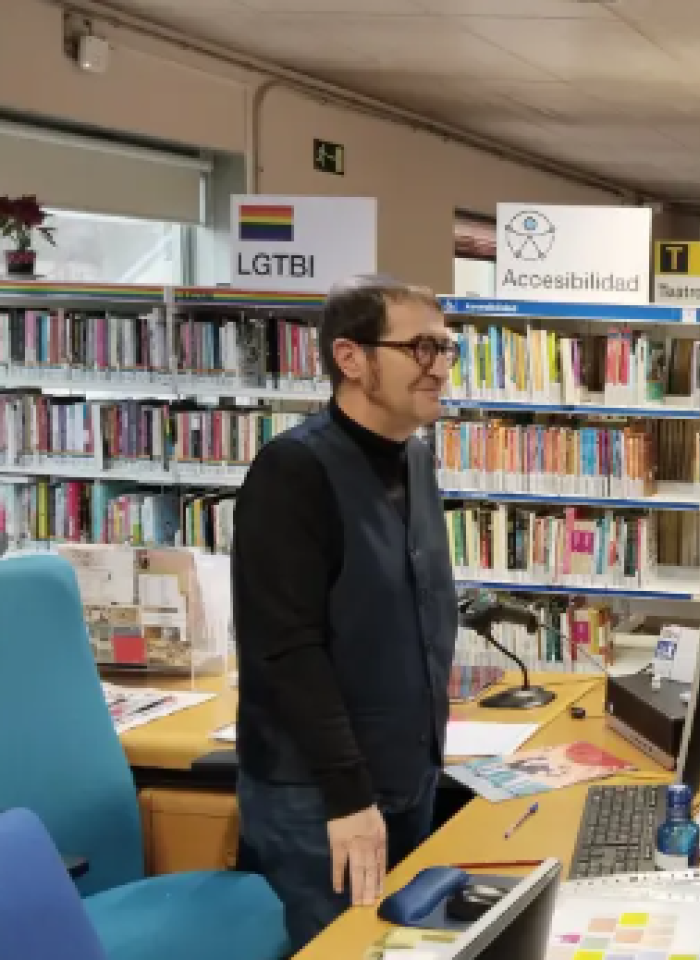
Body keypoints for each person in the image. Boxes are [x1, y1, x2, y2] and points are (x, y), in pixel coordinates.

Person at [233, 275, 461, 951]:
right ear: (351, 358)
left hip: (404, 774)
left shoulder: (415, 459)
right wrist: (348, 797)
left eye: (447, 347)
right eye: (421, 348)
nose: (441, 366)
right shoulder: (293, 473)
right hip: (323, 800)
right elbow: (285, 651)